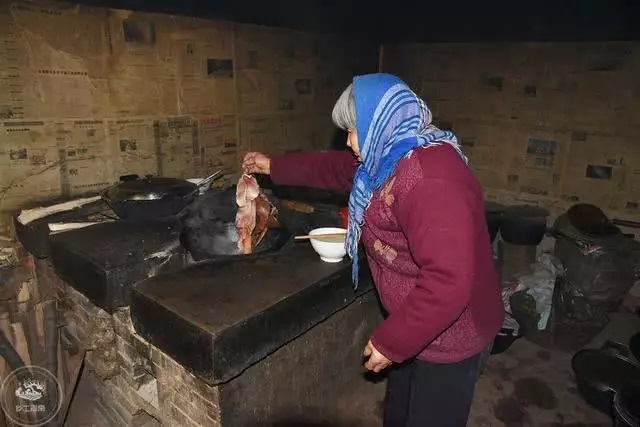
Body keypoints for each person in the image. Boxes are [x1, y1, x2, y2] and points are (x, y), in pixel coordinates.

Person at [242, 73, 503, 427]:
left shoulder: (431, 180)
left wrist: (392, 341)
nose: (349, 141)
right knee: (399, 413)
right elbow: (335, 169)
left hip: (451, 333)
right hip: (415, 320)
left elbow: (448, 281)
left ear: (383, 122)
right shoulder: (387, 155)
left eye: (354, 129)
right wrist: (272, 166)